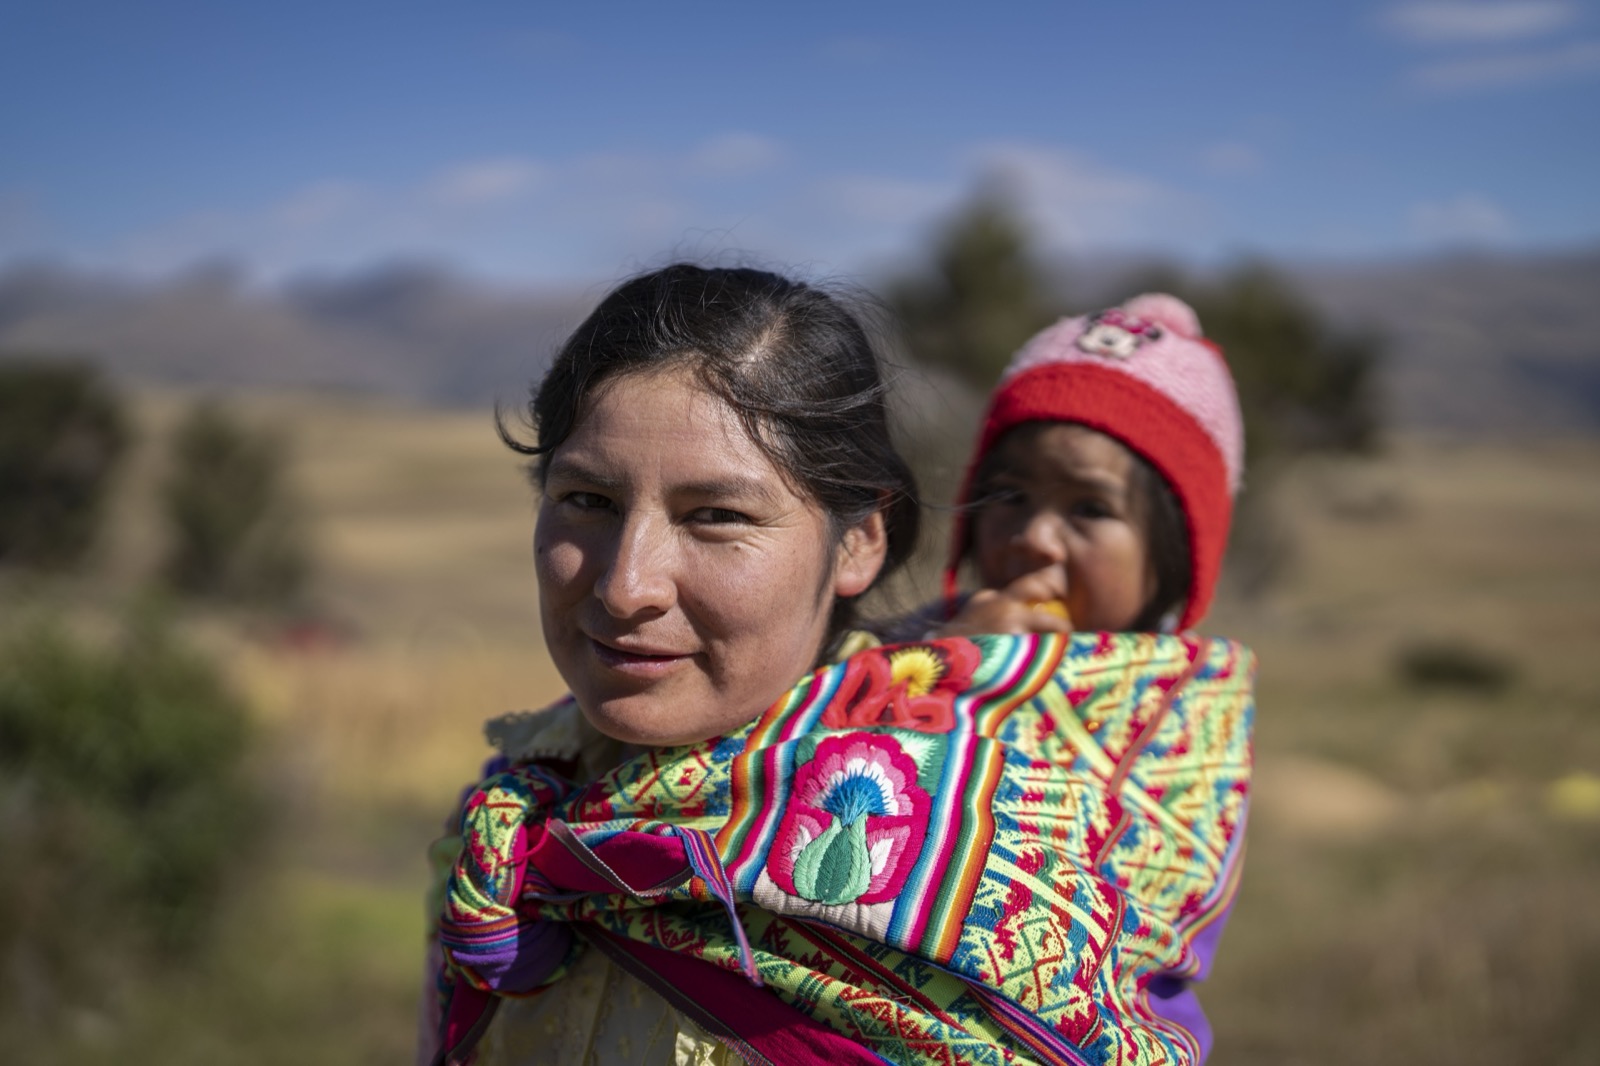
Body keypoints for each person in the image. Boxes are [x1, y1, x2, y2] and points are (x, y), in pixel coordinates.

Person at [422, 273, 1254, 1066]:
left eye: (717, 515)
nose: (625, 585)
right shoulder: (518, 812)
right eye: (587, 501)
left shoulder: (967, 816)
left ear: (860, 538)